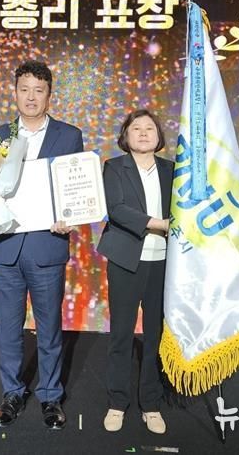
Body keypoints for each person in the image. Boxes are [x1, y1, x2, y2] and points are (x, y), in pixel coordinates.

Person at [0, 60, 83, 430]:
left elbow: (76, 187)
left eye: (38, 90)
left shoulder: (69, 135)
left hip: (47, 245)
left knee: (49, 328)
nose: (31, 97)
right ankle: (11, 394)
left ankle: (50, 397)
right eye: (24, 89)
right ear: (14, 92)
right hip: (7, 246)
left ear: (49, 95)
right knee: (7, 329)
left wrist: (70, 216)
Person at [97, 109, 174, 435]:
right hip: (126, 261)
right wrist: (160, 224)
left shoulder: (173, 170)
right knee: (121, 334)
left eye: (150, 128)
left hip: (165, 263)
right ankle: (117, 401)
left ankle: (151, 404)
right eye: (136, 128)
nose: (143, 133)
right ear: (126, 136)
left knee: (157, 335)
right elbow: (116, 210)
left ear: (159, 136)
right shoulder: (114, 167)